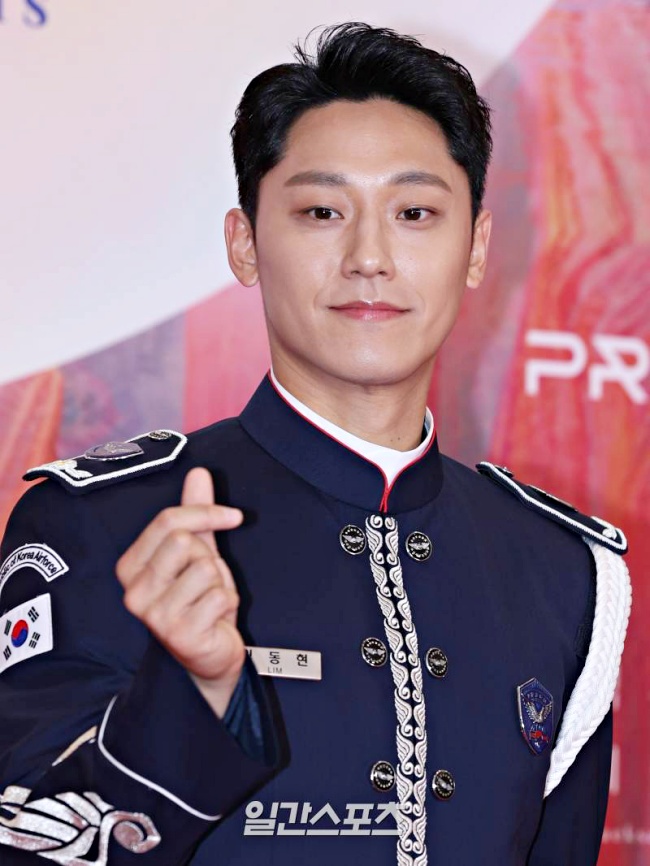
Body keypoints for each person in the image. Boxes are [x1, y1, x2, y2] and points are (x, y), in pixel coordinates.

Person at [0, 22, 631, 866]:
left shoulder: (565, 571)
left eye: (414, 213)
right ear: (245, 244)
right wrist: (193, 694)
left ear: (476, 248)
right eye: (322, 212)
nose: (369, 257)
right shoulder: (101, 526)